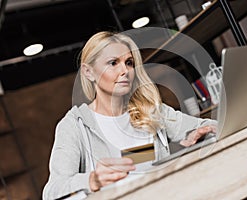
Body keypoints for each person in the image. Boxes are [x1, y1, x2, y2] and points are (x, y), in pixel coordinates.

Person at [42, 31, 216, 199]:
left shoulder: (150, 110)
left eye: (129, 62)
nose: (124, 70)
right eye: (113, 63)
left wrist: (200, 133)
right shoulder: (74, 125)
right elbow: (52, 191)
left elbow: (206, 127)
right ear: (89, 72)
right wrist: (91, 180)